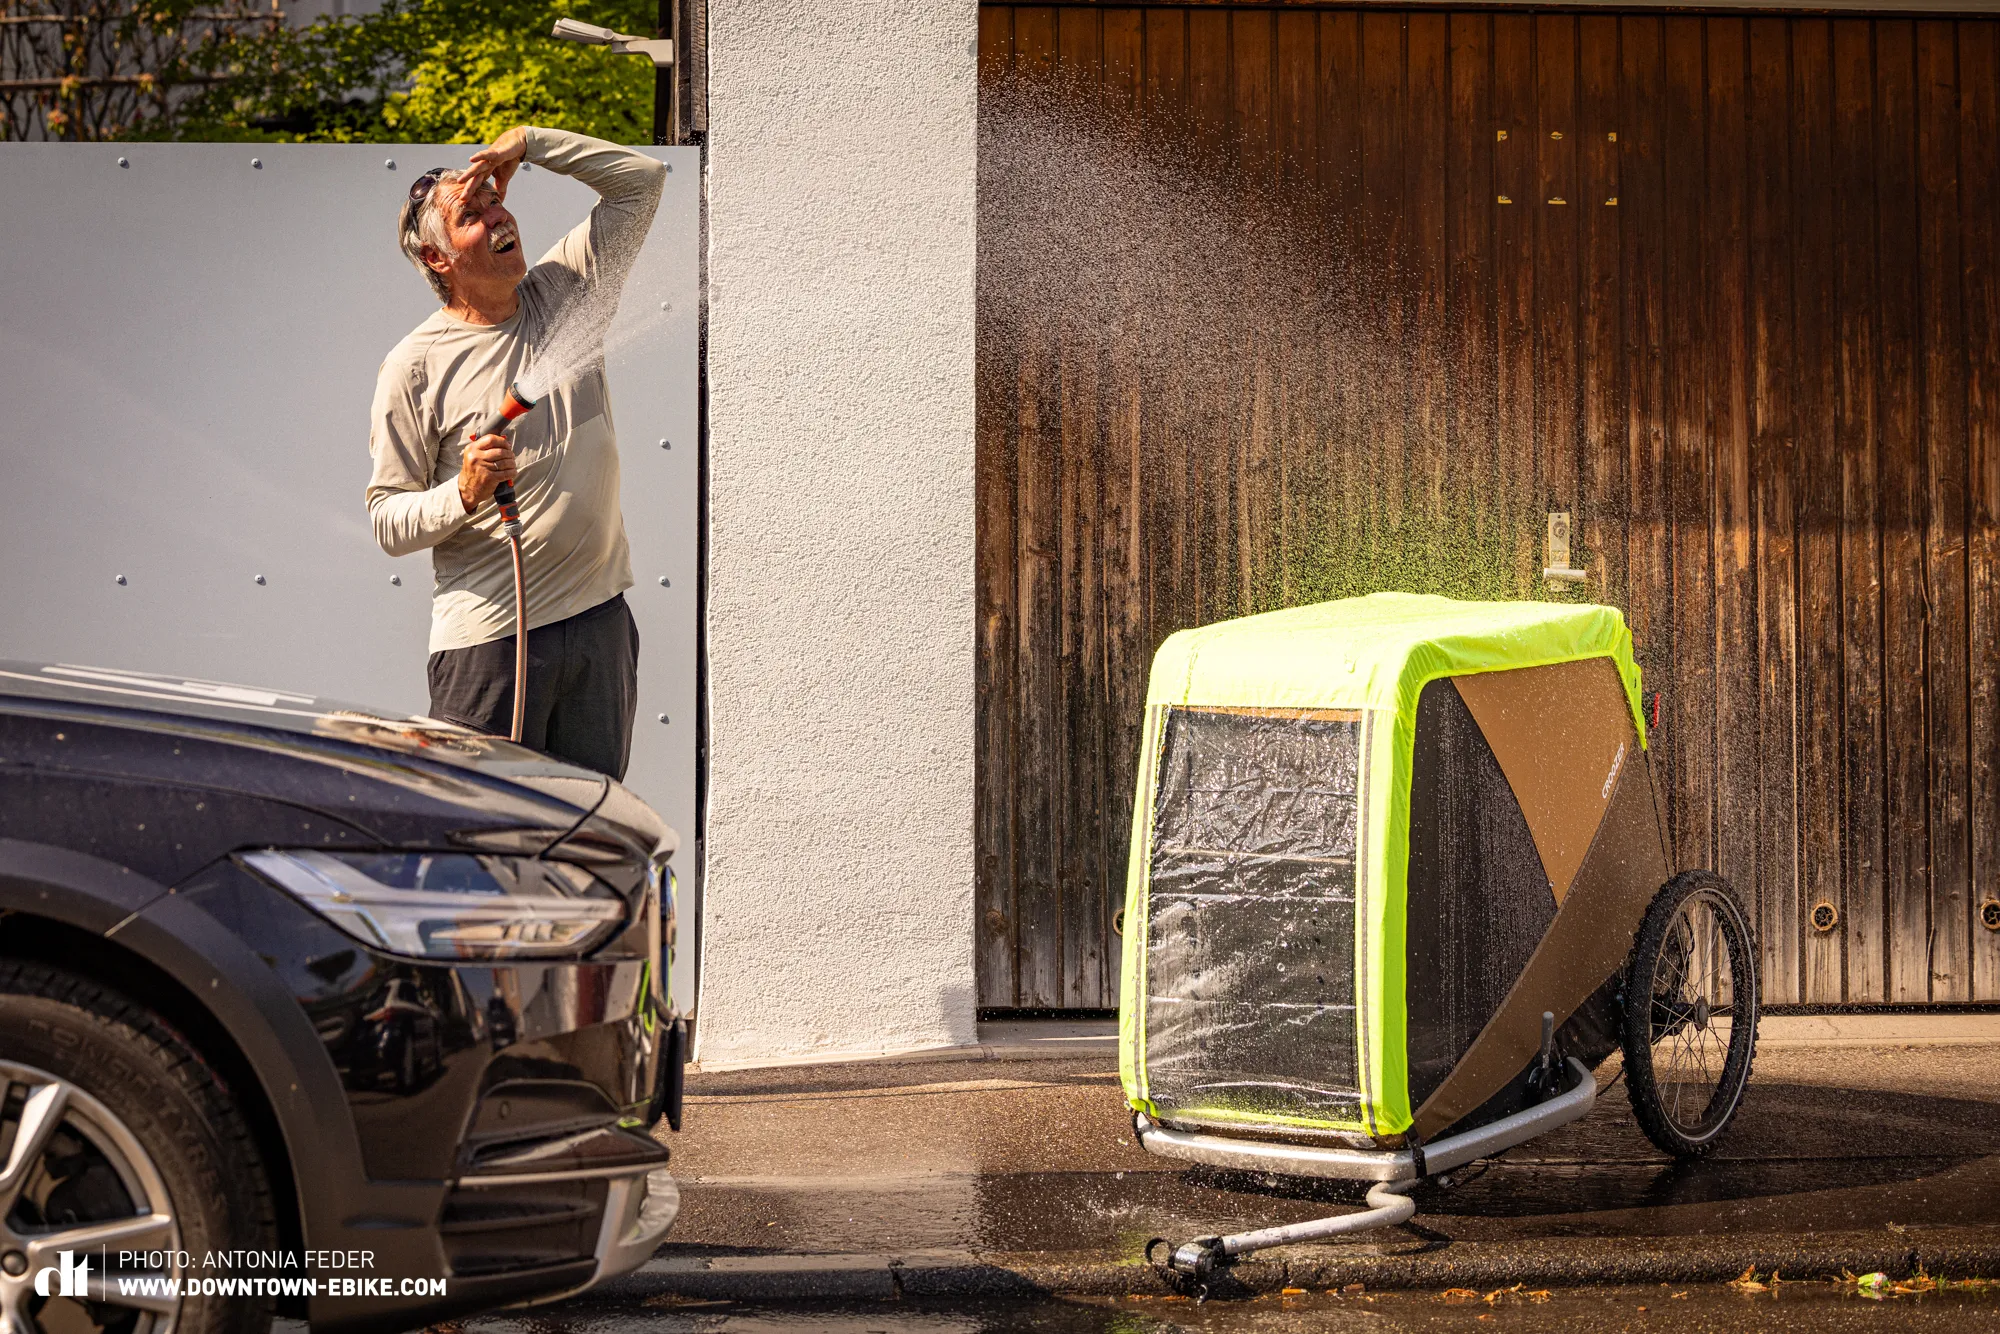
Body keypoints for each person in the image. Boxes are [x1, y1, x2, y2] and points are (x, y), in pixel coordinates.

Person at [366, 126, 665, 780]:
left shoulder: (564, 292)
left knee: (592, 841)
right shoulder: (414, 368)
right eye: (469, 216)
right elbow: (387, 520)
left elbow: (642, 182)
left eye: (495, 202)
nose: (497, 215)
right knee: (486, 845)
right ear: (437, 258)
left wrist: (529, 145)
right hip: (490, 644)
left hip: (599, 623)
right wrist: (464, 493)